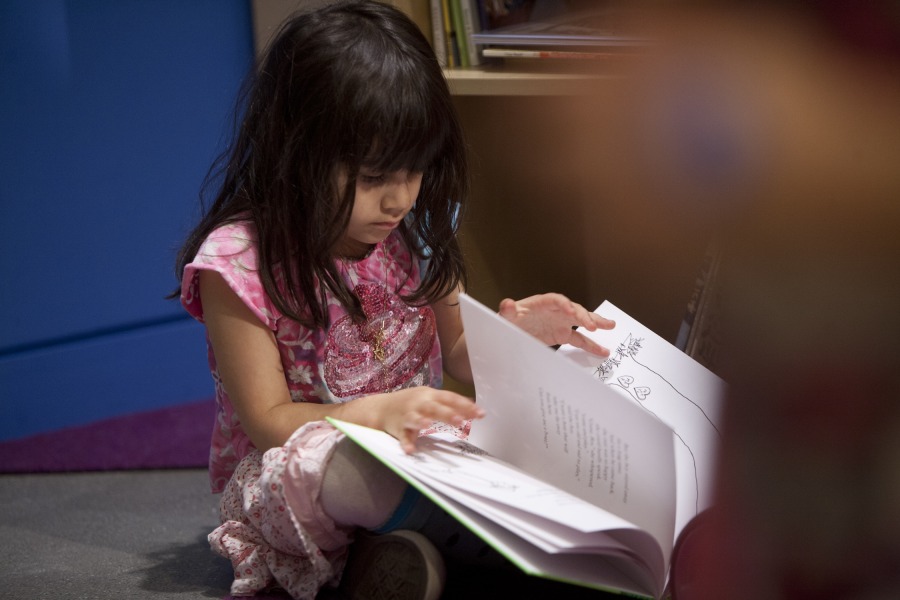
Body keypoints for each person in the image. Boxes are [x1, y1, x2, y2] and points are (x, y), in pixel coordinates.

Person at [173, 2, 614, 599]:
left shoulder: (414, 232)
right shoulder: (238, 264)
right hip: (313, 466)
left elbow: (457, 350)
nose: (401, 198)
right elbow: (270, 423)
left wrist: (516, 333)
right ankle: (471, 547)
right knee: (332, 470)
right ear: (299, 153)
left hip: (421, 453)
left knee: (539, 431)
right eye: (375, 176)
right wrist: (370, 416)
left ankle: (396, 553)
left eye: (417, 171)